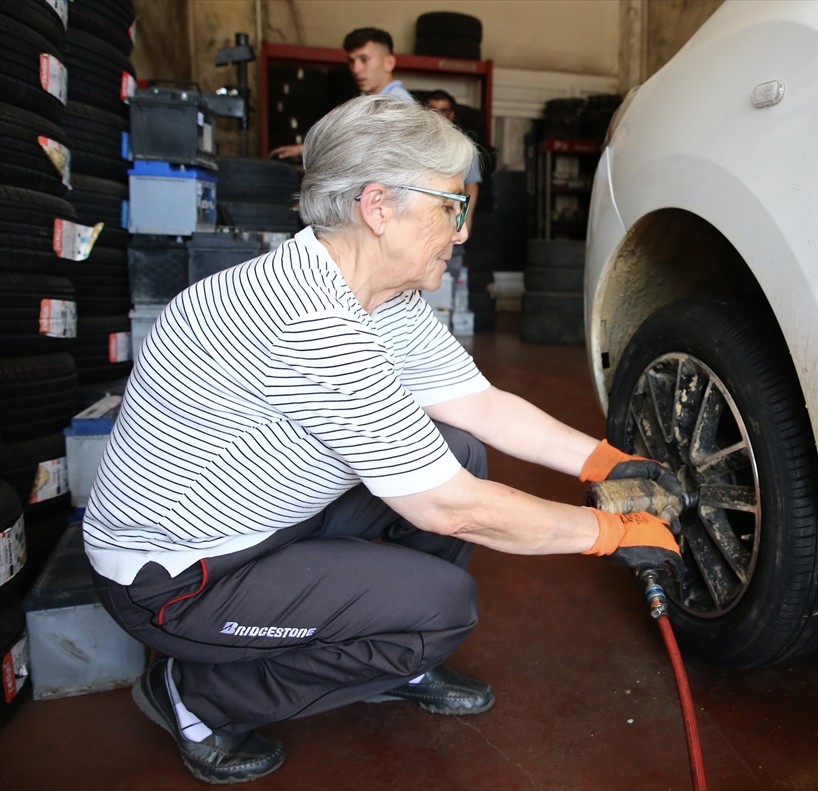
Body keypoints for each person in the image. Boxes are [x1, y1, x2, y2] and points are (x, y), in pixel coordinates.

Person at [83, 94, 681, 786]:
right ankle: (198, 697)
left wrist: (609, 462)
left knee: (458, 446)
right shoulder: (308, 322)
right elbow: (449, 508)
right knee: (442, 608)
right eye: (452, 208)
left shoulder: (371, 292)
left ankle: (391, 656)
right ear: (378, 207)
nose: (460, 233)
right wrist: (607, 532)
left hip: (259, 522)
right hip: (177, 578)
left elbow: (479, 404)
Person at [268, 27, 416, 160]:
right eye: (352, 61)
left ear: (388, 63)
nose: (356, 69)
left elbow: (371, 154)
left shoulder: (398, 106)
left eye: (364, 60)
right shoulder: (368, 102)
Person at [424, 89, 482, 280]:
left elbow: (471, 186)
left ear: (452, 115)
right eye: (433, 111)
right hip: (421, 222)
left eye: (444, 112)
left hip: (450, 220)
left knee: (448, 279)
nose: (439, 117)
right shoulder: (415, 145)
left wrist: (464, 220)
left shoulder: (464, 147)